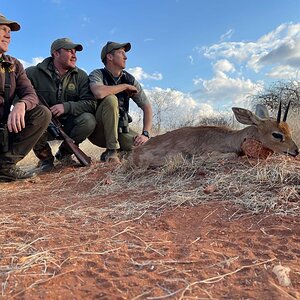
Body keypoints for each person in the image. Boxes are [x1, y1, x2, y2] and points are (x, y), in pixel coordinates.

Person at [26, 38, 97, 172]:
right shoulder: (31, 73)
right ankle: (45, 159)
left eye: (75, 51)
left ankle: (64, 154)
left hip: (69, 125)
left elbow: (91, 103)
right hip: (42, 125)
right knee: (29, 118)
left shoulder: (81, 76)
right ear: (55, 53)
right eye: (69, 51)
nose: (74, 55)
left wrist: (66, 107)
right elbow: (17, 95)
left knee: (88, 120)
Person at [0, 13, 51, 181]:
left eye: (9, 31)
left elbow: (30, 94)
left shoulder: (14, 65)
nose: (8, 35)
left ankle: (5, 166)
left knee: (42, 113)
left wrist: (22, 104)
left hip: (4, 129)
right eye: (3, 29)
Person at [88, 41, 152, 162]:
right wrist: (125, 86)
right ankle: (112, 151)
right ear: (110, 57)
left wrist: (145, 134)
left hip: (121, 130)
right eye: (121, 53)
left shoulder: (129, 79)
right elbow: (99, 92)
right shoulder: (97, 74)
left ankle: (119, 153)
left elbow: (147, 106)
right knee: (111, 99)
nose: (125, 57)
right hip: (99, 132)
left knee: (146, 148)